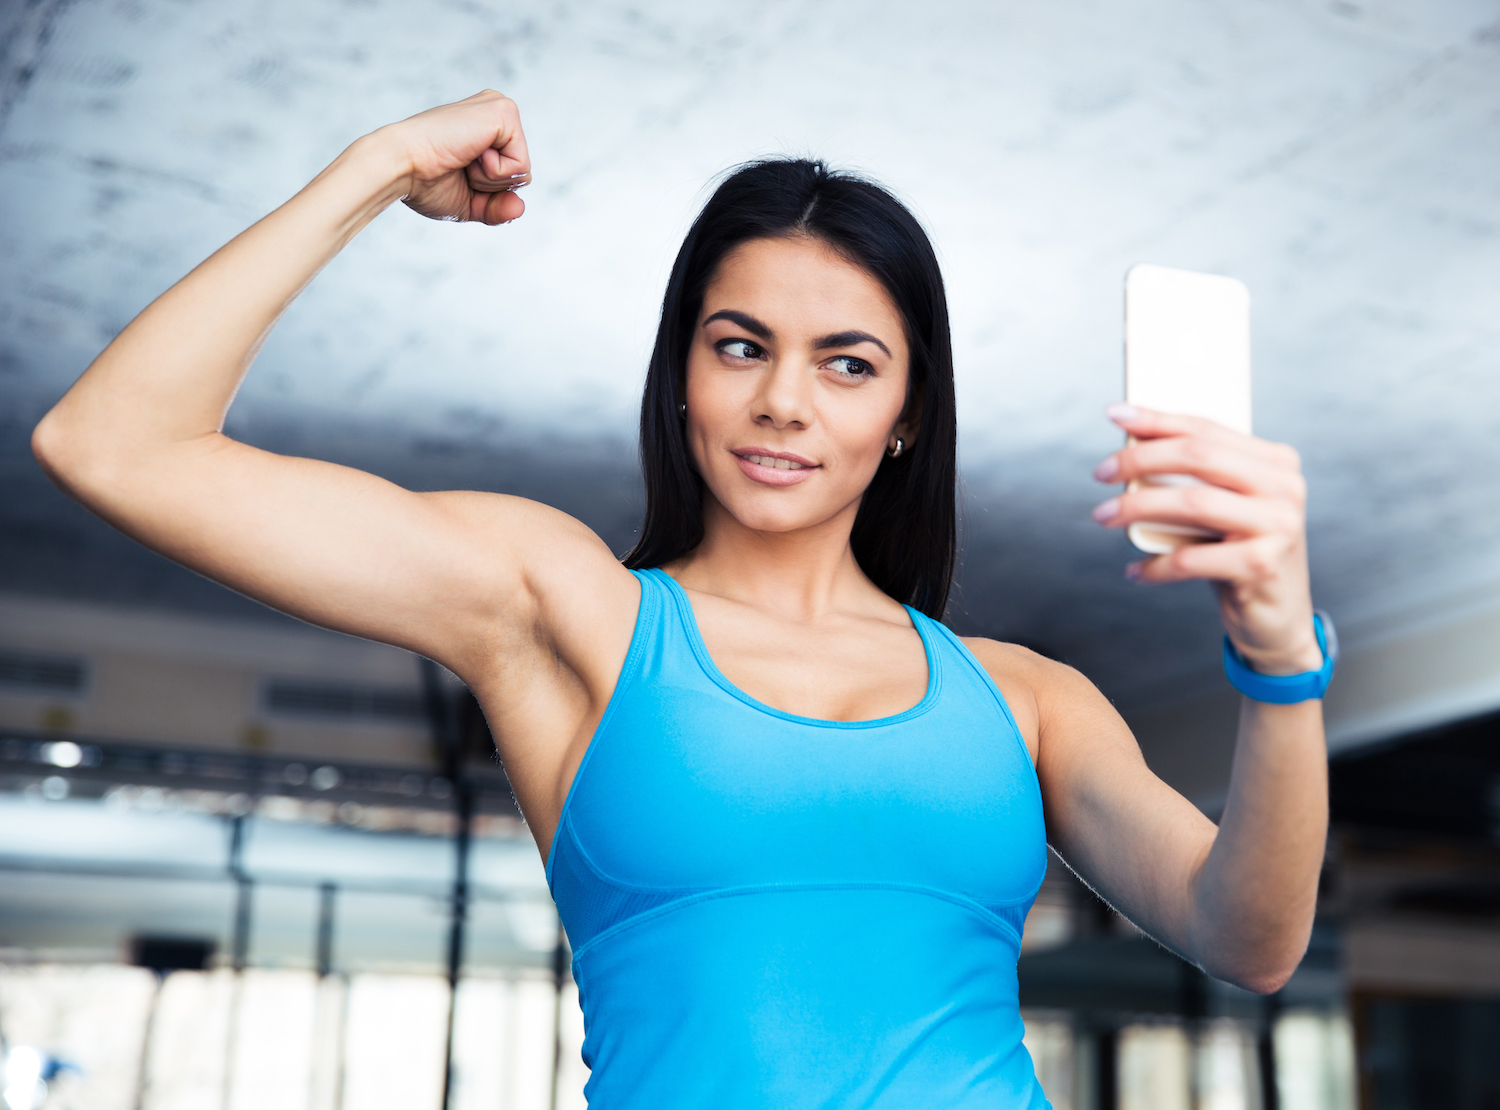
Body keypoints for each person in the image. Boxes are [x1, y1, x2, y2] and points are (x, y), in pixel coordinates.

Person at [33, 91, 1329, 1108]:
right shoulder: (567, 614)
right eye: (741, 345)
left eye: (848, 362)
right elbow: (115, 444)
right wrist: (375, 164)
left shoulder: (1026, 697)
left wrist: (1280, 657)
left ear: (907, 413)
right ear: (684, 373)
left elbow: (1250, 934)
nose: (783, 400)